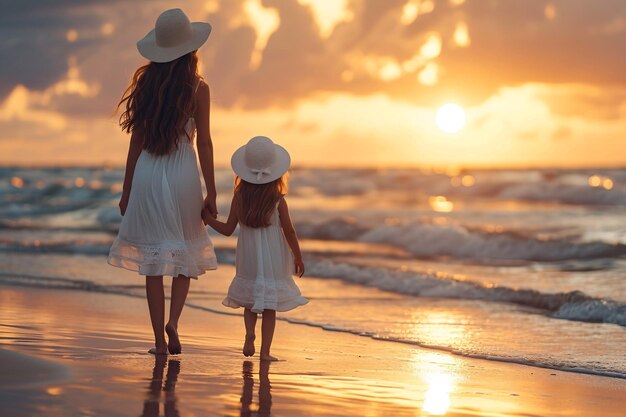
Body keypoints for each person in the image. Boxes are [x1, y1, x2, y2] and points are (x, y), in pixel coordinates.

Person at [107, 8, 218, 355]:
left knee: (153, 264)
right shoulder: (199, 88)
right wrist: (212, 192)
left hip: (149, 173)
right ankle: (174, 322)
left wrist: (127, 190)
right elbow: (205, 142)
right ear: (191, 49)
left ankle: (158, 339)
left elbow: (136, 143)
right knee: (186, 249)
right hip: (184, 172)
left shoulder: (148, 86)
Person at [202, 136, 308, 361]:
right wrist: (297, 256)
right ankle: (265, 352)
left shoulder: (239, 197)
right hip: (273, 258)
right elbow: (289, 231)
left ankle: (249, 333)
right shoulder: (278, 200)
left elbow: (228, 229)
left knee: (250, 301)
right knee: (270, 307)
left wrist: (208, 219)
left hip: (248, 256)